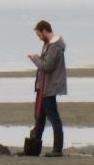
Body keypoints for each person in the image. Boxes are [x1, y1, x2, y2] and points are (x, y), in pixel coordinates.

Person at [24, 20, 67, 157]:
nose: (38, 37)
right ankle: (34, 148)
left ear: (44, 31)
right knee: (40, 118)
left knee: (53, 117)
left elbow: (47, 67)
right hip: (42, 87)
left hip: (49, 87)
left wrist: (35, 58)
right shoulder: (48, 45)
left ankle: (57, 149)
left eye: (38, 34)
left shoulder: (54, 46)